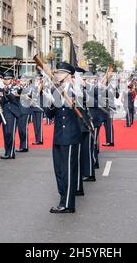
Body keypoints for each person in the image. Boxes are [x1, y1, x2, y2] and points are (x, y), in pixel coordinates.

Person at [44, 62, 81, 214]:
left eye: (60, 73)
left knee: (68, 171)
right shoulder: (54, 90)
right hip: (58, 135)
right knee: (59, 170)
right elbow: (49, 114)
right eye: (57, 73)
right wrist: (52, 101)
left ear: (68, 75)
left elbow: (81, 105)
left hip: (71, 135)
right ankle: (62, 198)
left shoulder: (76, 90)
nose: (58, 75)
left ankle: (68, 204)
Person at [0, 72, 22, 160]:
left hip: (13, 112)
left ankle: (11, 152)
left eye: (8, 79)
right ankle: (7, 151)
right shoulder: (1, 88)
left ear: (12, 80)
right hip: (5, 112)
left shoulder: (16, 87)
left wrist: (7, 91)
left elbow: (13, 98)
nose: (6, 80)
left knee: (10, 133)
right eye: (5, 79)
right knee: (5, 133)